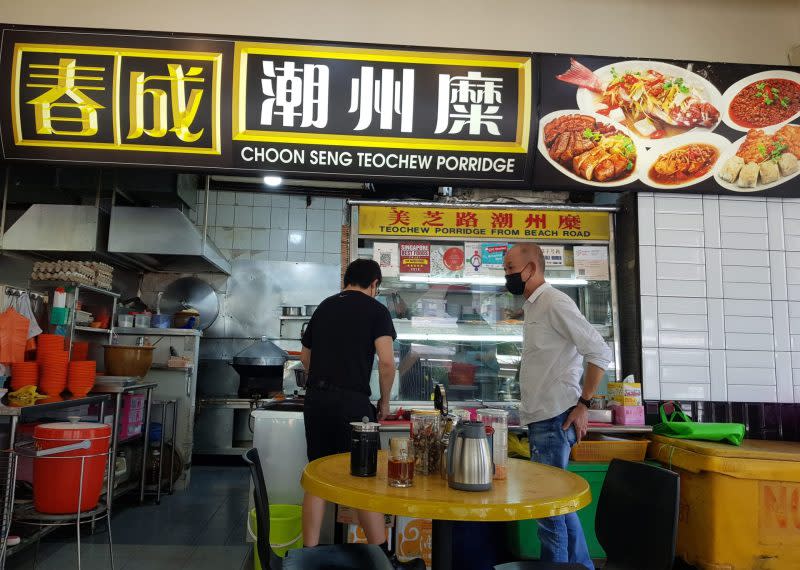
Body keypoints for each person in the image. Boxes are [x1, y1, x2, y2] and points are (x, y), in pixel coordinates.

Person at [300, 258, 424, 570]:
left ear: (346, 280)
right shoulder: (376, 310)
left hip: (316, 399)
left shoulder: (325, 306)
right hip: (352, 405)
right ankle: (384, 557)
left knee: (316, 476)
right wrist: (384, 401)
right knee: (364, 480)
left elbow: (305, 356)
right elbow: (386, 362)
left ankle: (308, 555)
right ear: (374, 285)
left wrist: (324, 381)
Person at [503, 244, 612, 569]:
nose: (506, 275)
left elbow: (599, 351)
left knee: (548, 511)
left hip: (554, 419)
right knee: (560, 507)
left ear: (532, 268)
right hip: (542, 419)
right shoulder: (534, 306)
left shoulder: (554, 302)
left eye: (510, 268)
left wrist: (583, 403)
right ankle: (581, 566)